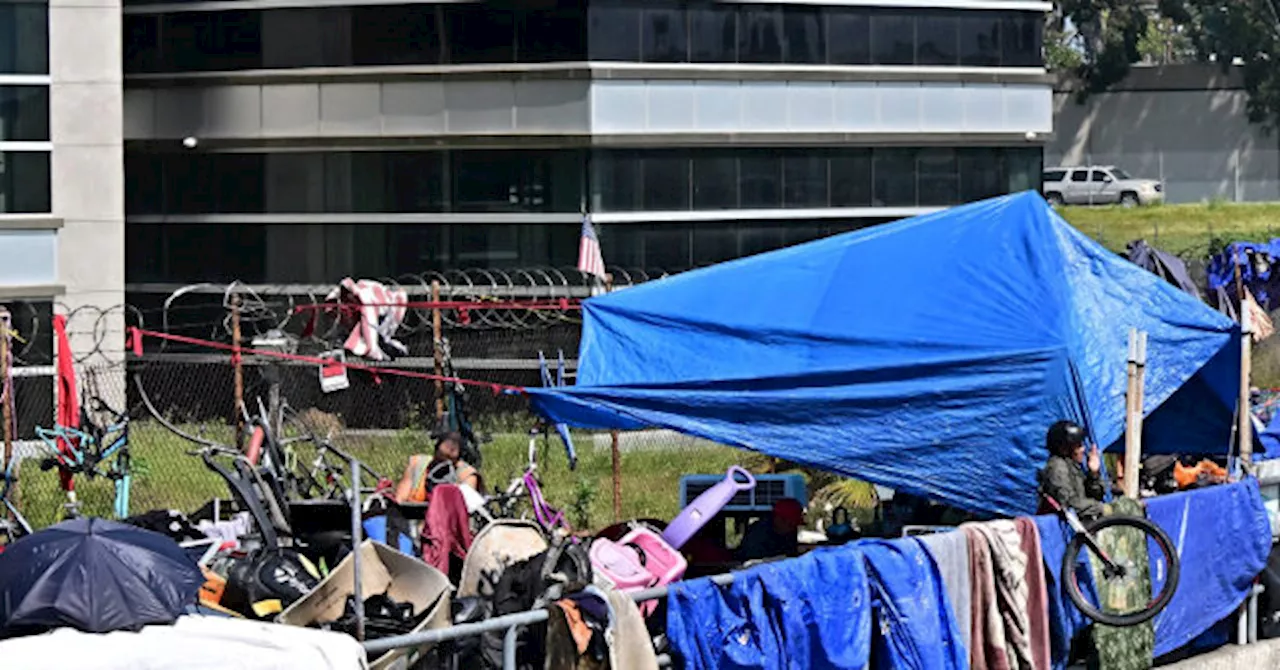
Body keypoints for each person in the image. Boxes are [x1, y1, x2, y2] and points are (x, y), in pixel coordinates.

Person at [1038, 420, 1105, 519]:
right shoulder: (1057, 468)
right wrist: (1102, 508)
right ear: (1064, 448)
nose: (1083, 449)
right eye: (1078, 446)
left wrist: (1093, 474)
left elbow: (1095, 496)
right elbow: (1070, 505)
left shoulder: (1074, 466)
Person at [735, 498, 804, 562]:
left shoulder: (789, 535)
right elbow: (752, 562)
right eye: (790, 525)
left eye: (795, 525)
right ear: (779, 519)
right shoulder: (757, 535)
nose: (792, 529)